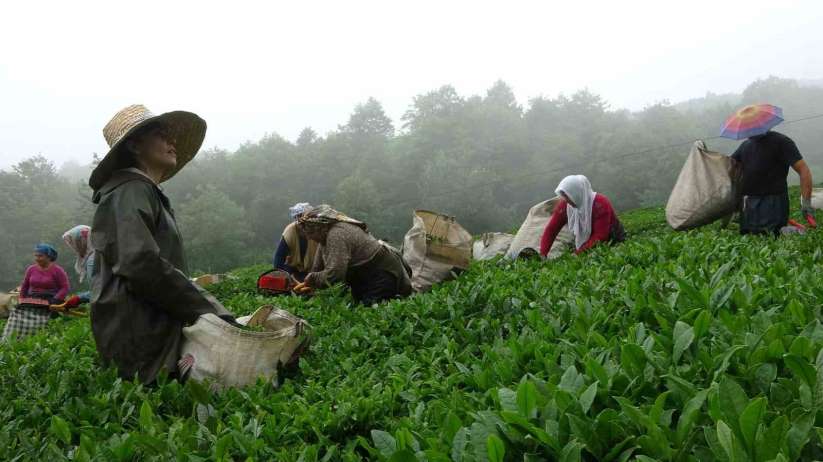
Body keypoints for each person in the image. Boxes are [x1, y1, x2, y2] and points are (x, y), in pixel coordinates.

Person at [88, 104, 235, 384]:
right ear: (134, 144)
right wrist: (210, 310)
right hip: (140, 334)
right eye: (161, 135)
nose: (172, 142)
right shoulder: (129, 191)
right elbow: (140, 263)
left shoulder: (143, 192)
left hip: (153, 326)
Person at [293, 205, 412, 305]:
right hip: (364, 275)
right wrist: (311, 284)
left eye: (310, 232)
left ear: (319, 227)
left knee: (371, 312)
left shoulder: (336, 235)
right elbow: (317, 267)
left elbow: (335, 274)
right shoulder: (323, 238)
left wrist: (313, 278)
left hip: (380, 272)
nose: (309, 237)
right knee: (359, 306)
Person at [731, 130, 813, 235]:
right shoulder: (745, 146)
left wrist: (806, 203)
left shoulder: (782, 142)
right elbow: (729, 168)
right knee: (748, 233)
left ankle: (793, 231)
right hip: (749, 204)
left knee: (771, 233)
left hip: (773, 202)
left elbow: (803, 170)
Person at [540, 175, 624, 256]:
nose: (566, 199)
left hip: (612, 239)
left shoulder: (600, 203)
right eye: (564, 196)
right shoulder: (565, 206)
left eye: (568, 195)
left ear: (577, 192)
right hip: (586, 243)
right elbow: (551, 229)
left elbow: (601, 235)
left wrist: (578, 253)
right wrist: (543, 254)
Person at [1, 244, 70, 341]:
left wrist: (55, 300)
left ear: (48, 256)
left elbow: (65, 287)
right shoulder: (31, 269)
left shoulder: (58, 270)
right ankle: (9, 340)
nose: (37, 258)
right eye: (36, 256)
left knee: (41, 319)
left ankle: (33, 339)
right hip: (33, 298)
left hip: (50, 299)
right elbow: (25, 285)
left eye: (40, 256)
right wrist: (22, 299)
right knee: (16, 313)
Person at [272, 202, 318, 281]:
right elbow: (279, 257)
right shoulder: (290, 231)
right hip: (293, 270)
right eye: (298, 216)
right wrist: (281, 275)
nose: (300, 220)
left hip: (313, 269)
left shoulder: (317, 230)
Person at [61, 225, 95, 307]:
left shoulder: (93, 260)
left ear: (81, 240)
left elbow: (98, 292)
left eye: (74, 242)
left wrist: (79, 298)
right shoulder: (103, 252)